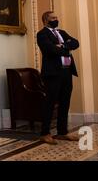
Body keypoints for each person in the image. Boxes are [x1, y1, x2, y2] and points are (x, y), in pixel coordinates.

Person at [37, 11, 80, 145]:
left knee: (65, 102)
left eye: (56, 17)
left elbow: (75, 43)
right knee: (50, 103)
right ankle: (45, 133)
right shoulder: (42, 34)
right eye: (53, 18)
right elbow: (50, 50)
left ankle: (62, 132)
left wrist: (62, 45)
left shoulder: (62, 32)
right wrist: (65, 48)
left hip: (66, 72)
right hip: (53, 73)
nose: (56, 19)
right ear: (45, 20)